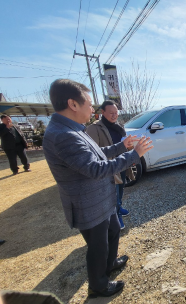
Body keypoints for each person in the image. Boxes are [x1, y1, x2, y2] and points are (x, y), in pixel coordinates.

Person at [43, 79, 153, 298]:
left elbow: (97, 153)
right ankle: (98, 286)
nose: (93, 108)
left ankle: (110, 263)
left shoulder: (72, 129)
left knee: (112, 231)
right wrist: (133, 155)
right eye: (89, 103)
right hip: (88, 204)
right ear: (73, 104)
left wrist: (122, 146)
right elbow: (95, 168)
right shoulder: (63, 136)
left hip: (101, 199)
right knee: (97, 246)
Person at [86, 100, 133, 230]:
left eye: (116, 112)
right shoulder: (94, 128)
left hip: (122, 163)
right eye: (111, 113)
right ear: (103, 112)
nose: (114, 115)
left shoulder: (119, 126)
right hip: (109, 167)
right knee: (113, 193)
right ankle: (116, 215)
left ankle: (119, 207)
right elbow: (94, 152)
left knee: (121, 187)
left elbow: (124, 143)